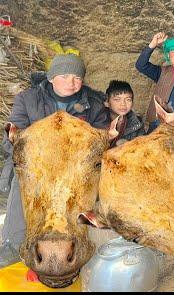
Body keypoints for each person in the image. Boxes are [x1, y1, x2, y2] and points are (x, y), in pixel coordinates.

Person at [0, 54, 111, 267]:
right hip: (40, 165)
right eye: (65, 76)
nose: (72, 82)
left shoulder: (94, 105)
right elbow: (12, 140)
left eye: (77, 78)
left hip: (75, 167)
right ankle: (13, 242)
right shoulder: (28, 99)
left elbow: (100, 142)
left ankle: (78, 241)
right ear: (51, 78)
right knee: (22, 181)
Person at [104, 80, 145, 146]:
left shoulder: (137, 124)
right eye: (117, 99)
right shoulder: (95, 122)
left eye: (128, 99)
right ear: (107, 102)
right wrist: (108, 139)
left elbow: (142, 149)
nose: (123, 104)